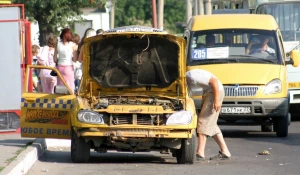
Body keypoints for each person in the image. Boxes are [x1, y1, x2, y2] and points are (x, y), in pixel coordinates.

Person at [186, 69, 231, 161]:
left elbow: (213, 81)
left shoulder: (192, 76)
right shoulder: (186, 81)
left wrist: (216, 100)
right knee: (211, 124)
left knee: (203, 122)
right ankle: (225, 151)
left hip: (214, 92)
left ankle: (200, 153)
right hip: (208, 93)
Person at [54, 28, 78, 93]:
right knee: (70, 86)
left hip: (59, 67)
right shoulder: (73, 45)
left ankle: (60, 100)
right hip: (69, 67)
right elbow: (75, 59)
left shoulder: (57, 44)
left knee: (60, 85)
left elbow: (55, 59)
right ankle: (70, 99)